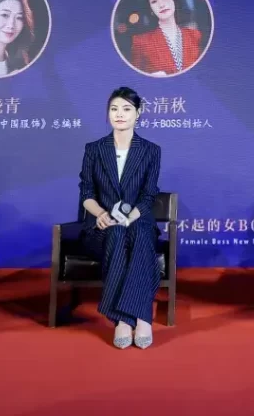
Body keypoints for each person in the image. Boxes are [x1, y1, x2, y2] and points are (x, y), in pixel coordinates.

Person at [77, 87, 163, 348]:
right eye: (114, 109)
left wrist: (129, 218)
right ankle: (133, 318)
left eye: (126, 109)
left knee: (136, 233)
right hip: (102, 227)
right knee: (116, 232)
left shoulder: (150, 150)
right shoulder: (94, 149)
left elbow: (148, 196)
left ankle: (130, 318)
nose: (119, 114)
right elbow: (87, 193)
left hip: (138, 222)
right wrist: (101, 214)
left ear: (139, 113)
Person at [129, 0, 204, 76]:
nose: (161, 5)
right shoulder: (141, 42)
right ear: (150, 9)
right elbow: (135, 79)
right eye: (154, 1)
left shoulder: (195, 36)